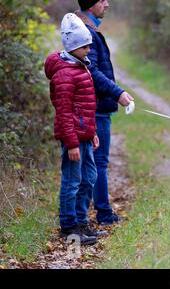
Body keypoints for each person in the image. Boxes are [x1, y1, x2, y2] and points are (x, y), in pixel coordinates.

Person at [75, 0, 134, 225]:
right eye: (102, 1)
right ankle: (103, 214)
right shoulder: (87, 33)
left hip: (98, 108)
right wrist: (118, 93)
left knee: (96, 162)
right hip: (96, 109)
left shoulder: (89, 30)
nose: (107, 5)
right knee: (99, 162)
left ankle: (100, 212)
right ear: (91, 5)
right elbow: (93, 72)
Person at [44, 13, 101, 245]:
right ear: (73, 46)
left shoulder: (80, 67)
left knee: (89, 178)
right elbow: (65, 111)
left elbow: (86, 107)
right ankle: (69, 227)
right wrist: (72, 143)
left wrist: (92, 131)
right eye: (85, 46)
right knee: (72, 182)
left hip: (84, 136)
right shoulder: (66, 73)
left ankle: (81, 221)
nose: (88, 49)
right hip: (73, 140)